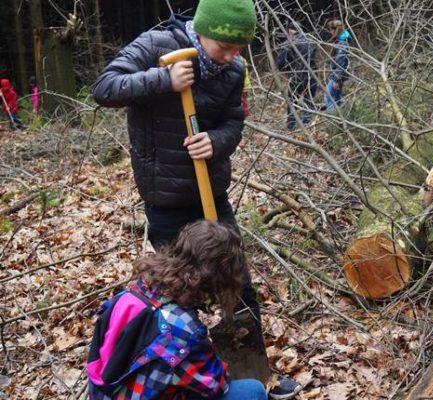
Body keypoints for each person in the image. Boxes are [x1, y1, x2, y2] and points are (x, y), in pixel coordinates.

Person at [92, 0, 301, 398]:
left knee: (238, 283)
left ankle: (257, 373)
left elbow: (233, 123)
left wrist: (217, 142)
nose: (234, 56)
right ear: (204, 31)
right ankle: (192, 374)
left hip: (212, 194)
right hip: (166, 198)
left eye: (241, 48)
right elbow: (104, 87)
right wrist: (163, 79)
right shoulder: (156, 45)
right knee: (181, 292)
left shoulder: (233, 70)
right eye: (226, 46)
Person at [87, 220, 268, 399]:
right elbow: (215, 386)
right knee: (252, 391)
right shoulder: (184, 329)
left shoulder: (136, 289)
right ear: (220, 279)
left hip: (107, 392)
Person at [277, 21, 318, 131]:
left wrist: (288, 70)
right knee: (308, 100)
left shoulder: (288, 43)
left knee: (292, 102)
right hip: (311, 75)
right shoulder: (310, 40)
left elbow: (280, 64)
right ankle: (307, 126)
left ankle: (291, 127)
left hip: (296, 77)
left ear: (290, 30)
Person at [324, 20, 350, 113]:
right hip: (338, 74)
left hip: (338, 75)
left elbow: (341, 63)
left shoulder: (342, 43)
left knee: (328, 97)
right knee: (338, 98)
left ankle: (334, 118)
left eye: (331, 30)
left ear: (335, 30)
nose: (330, 33)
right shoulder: (340, 41)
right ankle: (344, 116)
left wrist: (336, 80)